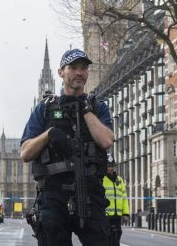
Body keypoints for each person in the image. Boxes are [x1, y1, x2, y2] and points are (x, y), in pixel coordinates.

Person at [20, 49, 114, 246]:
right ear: (61, 72)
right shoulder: (45, 108)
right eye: (73, 68)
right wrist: (48, 134)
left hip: (90, 193)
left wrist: (85, 109)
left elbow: (106, 141)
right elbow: (26, 153)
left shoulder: (98, 107)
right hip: (53, 195)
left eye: (83, 68)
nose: (79, 73)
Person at [103, 154, 129, 246]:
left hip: (117, 217)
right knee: (106, 240)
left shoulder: (119, 180)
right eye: (108, 166)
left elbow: (124, 198)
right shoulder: (102, 179)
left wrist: (125, 213)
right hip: (105, 216)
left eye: (112, 166)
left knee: (116, 239)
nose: (111, 168)